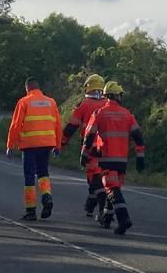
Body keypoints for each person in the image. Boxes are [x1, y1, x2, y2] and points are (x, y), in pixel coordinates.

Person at [85, 80, 144, 235]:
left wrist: (84, 154)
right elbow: (138, 136)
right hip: (122, 161)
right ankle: (106, 218)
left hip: (106, 159)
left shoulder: (99, 113)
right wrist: (140, 157)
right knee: (115, 189)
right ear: (117, 95)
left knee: (111, 190)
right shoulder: (127, 114)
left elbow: (89, 135)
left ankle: (124, 219)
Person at [6, 77, 61, 220]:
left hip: (29, 145)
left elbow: (16, 125)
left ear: (27, 88)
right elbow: (58, 125)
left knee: (29, 176)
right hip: (47, 143)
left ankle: (31, 210)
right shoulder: (51, 102)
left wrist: (10, 145)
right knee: (43, 173)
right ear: (39, 87)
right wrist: (58, 145)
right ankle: (47, 196)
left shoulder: (24, 102)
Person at [64, 74, 110, 219]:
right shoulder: (109, 103)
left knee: (94, 178)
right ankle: (90, 204)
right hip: (109, 148)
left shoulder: (85, 105)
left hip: (90, 147)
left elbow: (72, 126)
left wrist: (61, 143)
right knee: (103, 176)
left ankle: (101, 206)